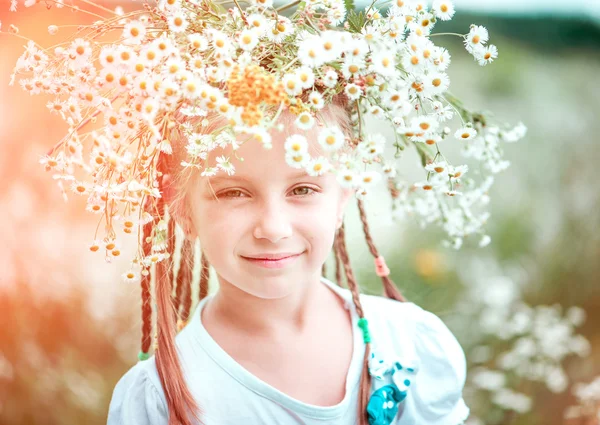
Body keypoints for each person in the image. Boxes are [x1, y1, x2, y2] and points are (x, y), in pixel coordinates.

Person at [106, 92, 470, 425]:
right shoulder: (161, 399)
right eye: (234, 192)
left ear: (343, 195)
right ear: (182, 207)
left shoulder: (408, 341)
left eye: (302, 189)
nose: (274, 228)